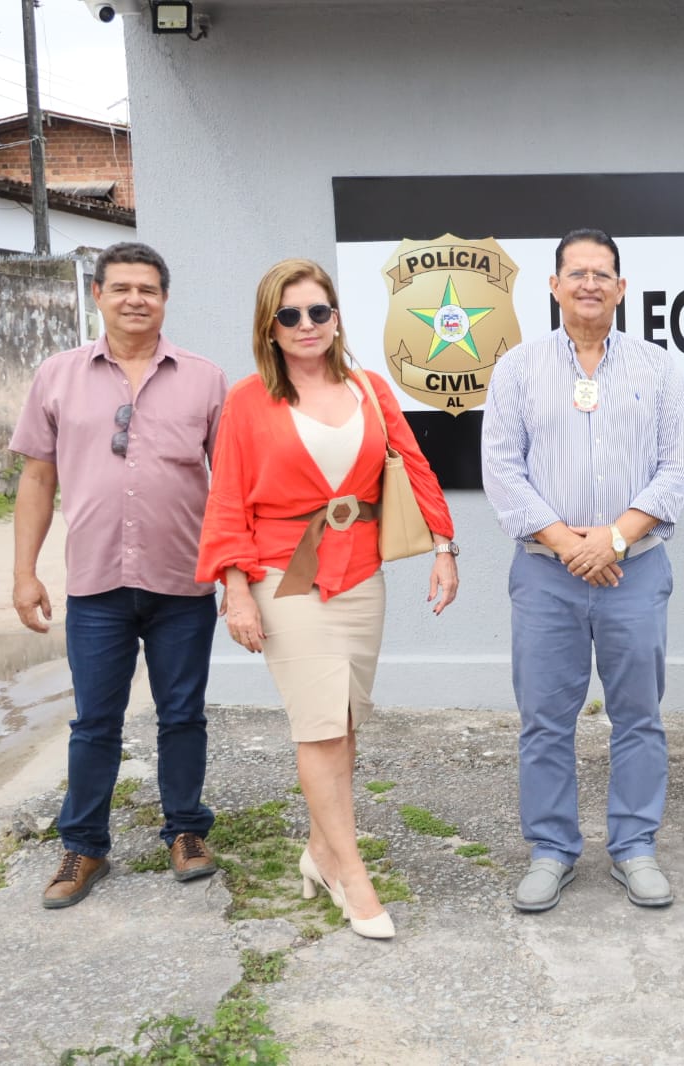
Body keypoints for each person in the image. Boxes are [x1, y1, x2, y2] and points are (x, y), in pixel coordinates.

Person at [196, 258, 459, 940]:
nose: (306, 324)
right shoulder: (247, 400)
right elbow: (227, 499)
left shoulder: (369, 388)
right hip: (284, 576)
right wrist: (235, 590)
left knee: (342, 723)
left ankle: (319, 850)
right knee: (317, 726)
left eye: (319, 311)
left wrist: (444, 547)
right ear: (270, 328)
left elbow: (415, 466)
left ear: (336, 318)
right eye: (290, 315)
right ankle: (351, 874)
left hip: (361, 574)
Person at [482, 229, 684, 912]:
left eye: (602, 274)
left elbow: (676, 469)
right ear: (554, 286)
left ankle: (635, 846)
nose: (590, 285)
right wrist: (569, 544)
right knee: (546, 720)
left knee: (638, 717)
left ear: (621, 288)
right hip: (547, 574)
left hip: (635, 571)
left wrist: (615, 540)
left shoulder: (657, 368)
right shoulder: (517, 368)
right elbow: (502, 470)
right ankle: (551, 849)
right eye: (577, 273)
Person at [10, 242, 227, 909]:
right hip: (97, 584)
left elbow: (232, 486)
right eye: (123, 287)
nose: (136, 299)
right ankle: (84, 846)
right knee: (94, 722)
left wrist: (238, 574)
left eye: (149, 289)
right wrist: (24, 572)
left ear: (165, 299)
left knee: (182, 715)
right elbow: (37, 478)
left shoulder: (205, 379)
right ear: (97, 294)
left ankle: (186, 831)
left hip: (183, 583)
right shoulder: (57, 376)